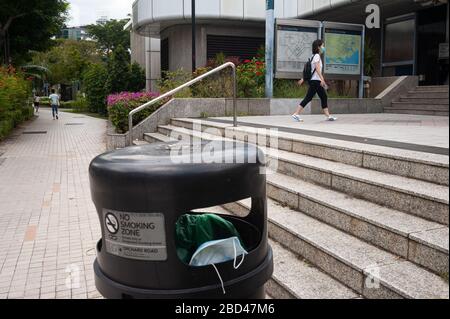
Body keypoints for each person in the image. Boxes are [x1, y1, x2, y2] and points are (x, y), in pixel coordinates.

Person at [292, 39, 337, 122]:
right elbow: (317, 68)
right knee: (309, 98)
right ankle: (296, 114)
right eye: (322, 46)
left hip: (315, 81)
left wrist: (303, 79)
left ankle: (328, 116)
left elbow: (310, 70)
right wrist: (322, 79)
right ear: (318, 47)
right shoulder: (316, 56)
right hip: (315, 81)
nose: (323, 47)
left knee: (323, 96)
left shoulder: (313, 56)